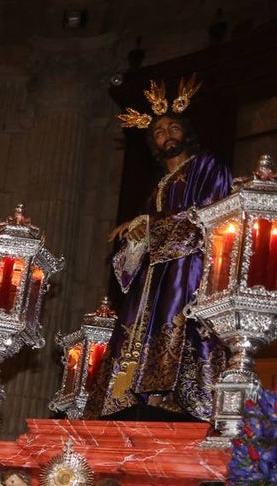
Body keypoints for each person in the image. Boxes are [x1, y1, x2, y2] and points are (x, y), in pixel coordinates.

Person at [100, 75, 233, 419]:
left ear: (185, 132)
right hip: (154, 274)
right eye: (158, 132)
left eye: (173, 128)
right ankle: (134, 395)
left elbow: (209, 213)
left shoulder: (208, 165)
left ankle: (176, 399)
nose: (166, 135)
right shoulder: (158, 187)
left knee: (180, 324)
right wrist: (134, 238)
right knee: (138, 325)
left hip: (189, 267)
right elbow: (144, 235)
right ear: (153, 144)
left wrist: (142, 225)